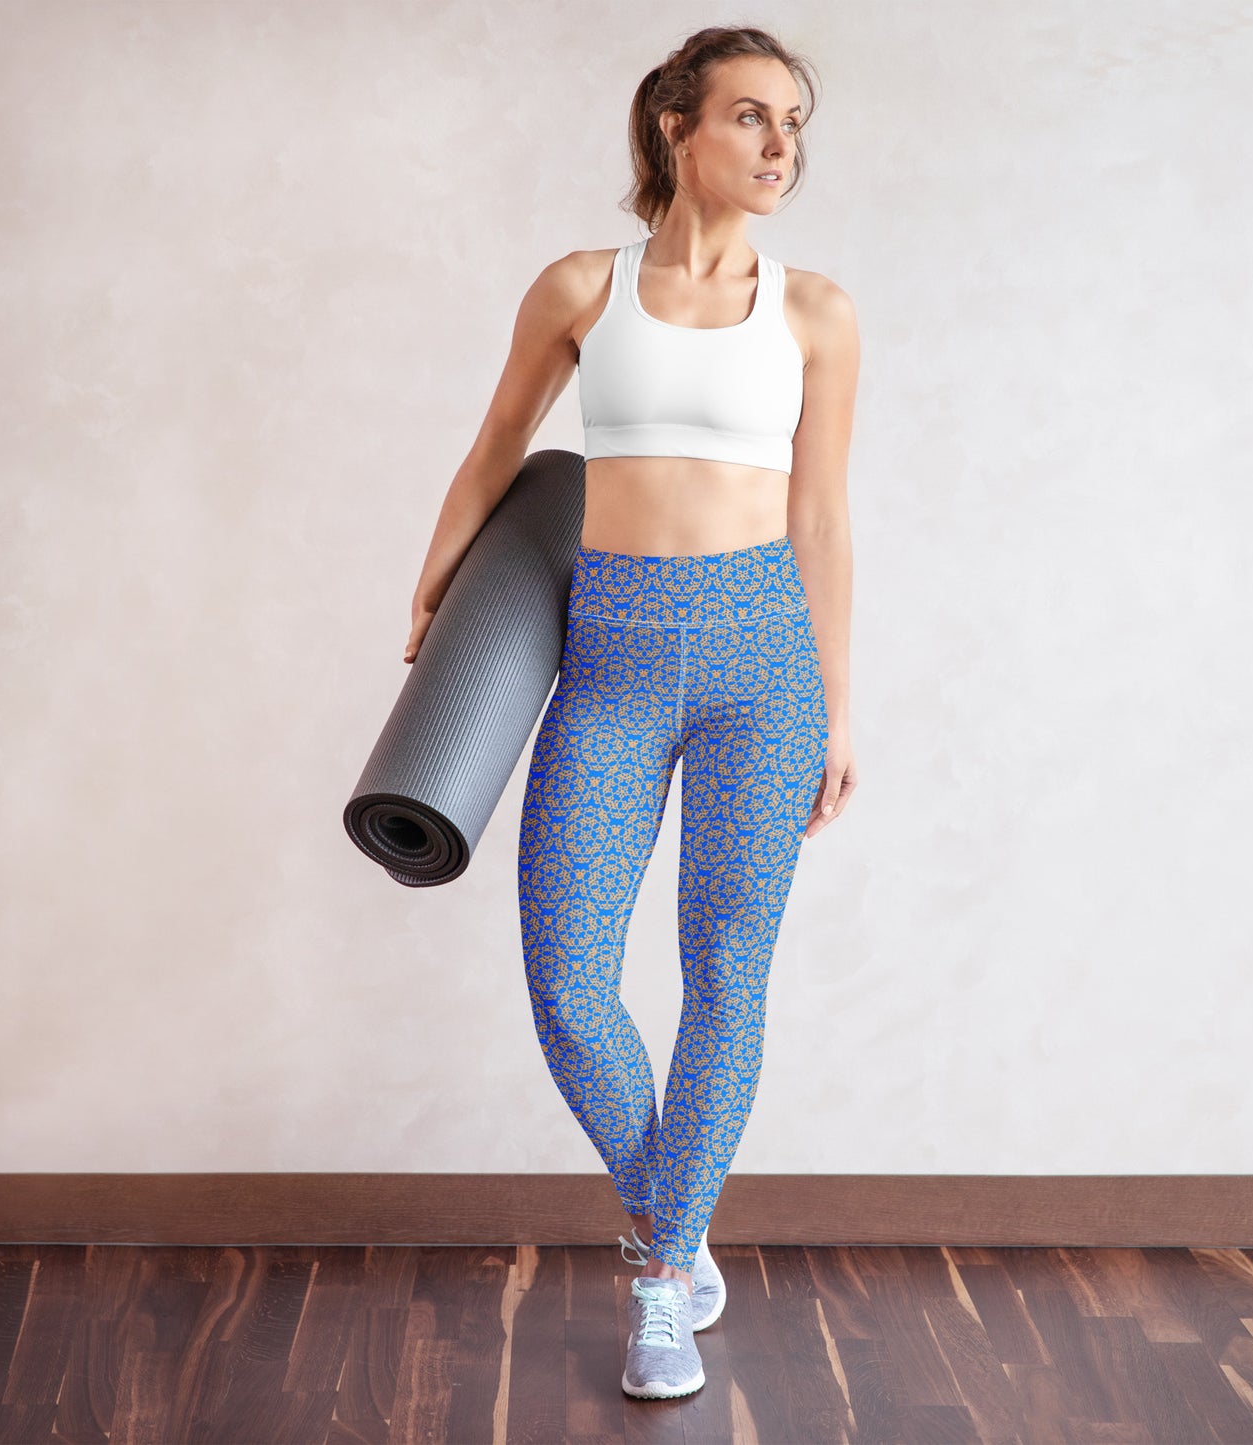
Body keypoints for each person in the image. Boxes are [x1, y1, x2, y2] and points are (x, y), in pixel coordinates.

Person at [405, 25, 858, 1399]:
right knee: (567, 978)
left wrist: (836, 706)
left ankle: (663, 1272)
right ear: (673, 127)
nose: (780, 145)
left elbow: (823, 514)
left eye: (794, 122)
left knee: (725, 972)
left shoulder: (816, 311)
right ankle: (678, 1210)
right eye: (750, 117)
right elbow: (496, 446)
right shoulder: (579, 288)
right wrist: (432, 599)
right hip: (604, 654)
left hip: (760, 665)